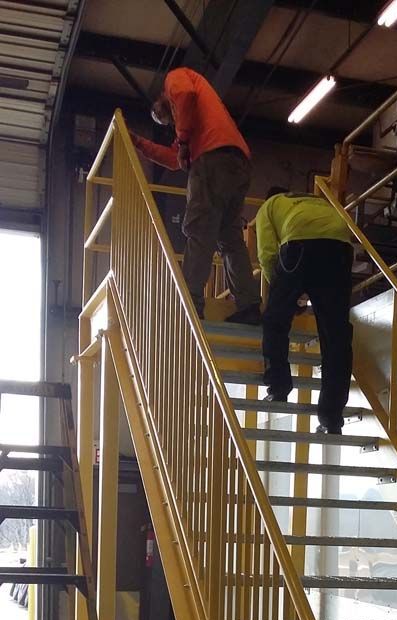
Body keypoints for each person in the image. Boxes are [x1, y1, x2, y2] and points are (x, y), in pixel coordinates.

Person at [130, 68, 260, 325]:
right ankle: (249, 305)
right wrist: (139, 143)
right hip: (238, 163)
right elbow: (174, 158)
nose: (167, 120)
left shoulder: (175, 80)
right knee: (230, 237)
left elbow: (185, 93)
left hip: (212, 160)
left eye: (165, 116)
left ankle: (189, 303)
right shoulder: (191, 122)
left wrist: (185, 141)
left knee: (200, 230)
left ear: (162, 99)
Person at [255, 187, 353, 434]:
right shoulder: (317, 200)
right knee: (336, 335)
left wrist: (282, 293)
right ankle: (332, 419)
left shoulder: (269, 206)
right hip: (340, 246)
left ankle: (278, 387)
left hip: (300, 243)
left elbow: (267, 254)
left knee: (275, 321)